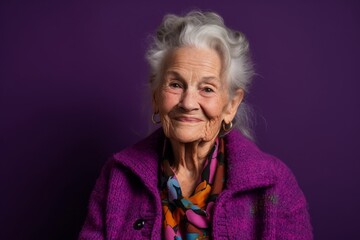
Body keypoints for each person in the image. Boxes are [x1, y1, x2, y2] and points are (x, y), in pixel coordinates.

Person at [79, 11, 312, 240]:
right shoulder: (118, 176)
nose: (188, 103)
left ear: (231, 105)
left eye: (207, 89)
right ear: (155, 96)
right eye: (176, 84)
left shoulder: (274, 184)